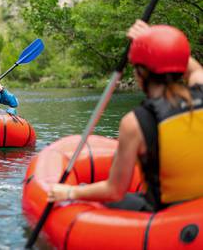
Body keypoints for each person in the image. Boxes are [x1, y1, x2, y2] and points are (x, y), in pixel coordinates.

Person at [47, 20, 203, 211]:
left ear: (140, 74)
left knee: (104, 200)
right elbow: (194, 69)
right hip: (198, 206)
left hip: (168, 216)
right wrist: (152, 38)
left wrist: (70, 192)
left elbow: (114, 191)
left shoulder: (136, 122)